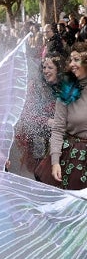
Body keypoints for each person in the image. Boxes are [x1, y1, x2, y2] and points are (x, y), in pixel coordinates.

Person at [47, 42, 87, 190]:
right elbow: (57, 128)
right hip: (73, 160)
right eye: (71, 60)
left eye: (77, 59)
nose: (72, 64)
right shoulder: (67, 90)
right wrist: (55, 161)